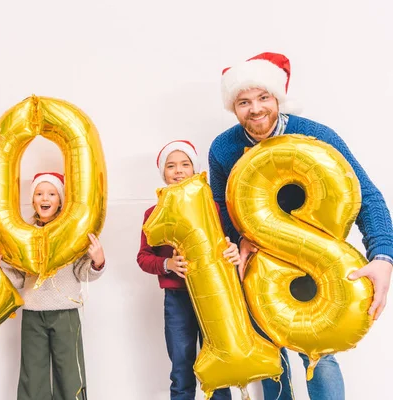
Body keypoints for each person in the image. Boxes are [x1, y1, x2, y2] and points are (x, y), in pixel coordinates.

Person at [209, 52, 393, 400]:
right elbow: (221, 212)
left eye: (263, 97)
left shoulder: (317, 136)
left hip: (315, 266)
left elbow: (366, 196)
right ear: (234, 108)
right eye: (244, 101)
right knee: (270, 359)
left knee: (319, 357)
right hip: (262, 272)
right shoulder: (223, 148)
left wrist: (383, 256)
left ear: (277, 96)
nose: (256, 109)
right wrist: (239, 239)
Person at [137, 140, 241, 400]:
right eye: (171, 166)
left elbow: (230, 243)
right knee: (181, 366)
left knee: (220, 365)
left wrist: (232, 250)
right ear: (163, 174)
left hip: (215, 297)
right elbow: (143, 257)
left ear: (195, 170)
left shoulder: (213, 208)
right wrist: (167, 264)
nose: (178, 170)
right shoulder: (154, 213)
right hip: (178, 299)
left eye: (185, 164)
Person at [0, 172, 106, 400]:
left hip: (65, 311)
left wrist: (97, 261)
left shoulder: (71, 233)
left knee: (69, 374)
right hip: (33, 313)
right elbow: (18, 279)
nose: (44, 198)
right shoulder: (24, 233)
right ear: (33, 199)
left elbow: (81, 271)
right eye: (39, 193)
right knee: (32, 375)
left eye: (51, 193)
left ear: (60, 200)